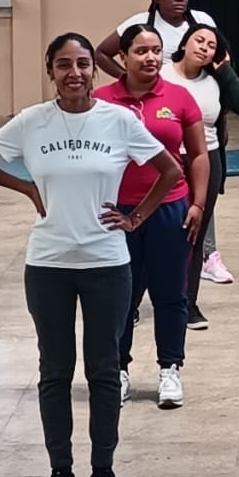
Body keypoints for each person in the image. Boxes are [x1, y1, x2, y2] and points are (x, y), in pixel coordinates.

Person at [0, 34, 181, 477]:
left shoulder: (118, 121)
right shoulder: (32, 122)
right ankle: (60, 472)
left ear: (94, 70)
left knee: (103, 371)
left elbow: (169, 170)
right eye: (64, 65)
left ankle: (103, 470)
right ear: (50, 71)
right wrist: (26, 188)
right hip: (49, 265)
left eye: (83, 63)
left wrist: (135, 218)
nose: (75, 73)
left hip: (107, 264)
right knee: (55, 372)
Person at [94, 0, 232, 285]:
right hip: (157, 124)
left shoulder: (202, 21)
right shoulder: (139, 24)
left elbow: (222, 62)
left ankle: (205, 261)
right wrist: (128, 80)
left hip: (192, 120)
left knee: (196, 205)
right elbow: (101, 52)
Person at [94, 24, 208, 409]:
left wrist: (198, 204)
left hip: (169, 209)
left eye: (156, 50)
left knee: (171, 293)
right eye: (141, 51)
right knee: (119, 296)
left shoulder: (179, 98)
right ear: (122, 57)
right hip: (116, 213)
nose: (151, 58)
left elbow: (198, 155)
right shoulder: (102, 101)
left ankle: (170, 369)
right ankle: (117, 370)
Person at [161, 24, 239, 331]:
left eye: (211, 45)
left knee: (195, 232)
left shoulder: (215, 80)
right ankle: (136, 300)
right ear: (184, 44)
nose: (204, 47)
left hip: (207, 158)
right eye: (199, 40)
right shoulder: (163, 75)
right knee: (159, 230)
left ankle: (188, 304)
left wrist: (225, 70)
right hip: (166, 159)